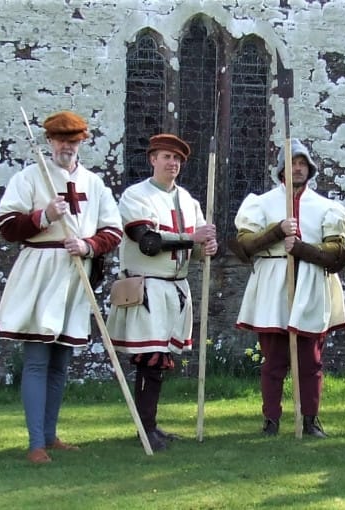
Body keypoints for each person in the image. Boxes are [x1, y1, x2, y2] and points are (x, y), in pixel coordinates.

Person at [0, 110, 123, 463]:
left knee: (61, 360)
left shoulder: (94, 184)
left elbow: (113, 230)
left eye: (73, 141)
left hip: (76, 273)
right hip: (40, 274)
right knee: (38, 359)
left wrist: (88, 245)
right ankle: (36, 442)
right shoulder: (28, 178)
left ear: (82, 143)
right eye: (61, 140)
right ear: (49, 141)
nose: (67, 146)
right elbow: (6, 226)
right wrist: (44, 216)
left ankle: (50, 436)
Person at [232, 138, 345, 438]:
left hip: (311, 283)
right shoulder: (261, 203)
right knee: (273, 360)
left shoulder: (326, 207)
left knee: (310, 360)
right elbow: (244, 246)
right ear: (281, 171)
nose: (297, 169)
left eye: (302, 164)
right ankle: (271, 420)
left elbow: (336, 253)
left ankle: (310, 420)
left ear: (309, 169)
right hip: (273, 284)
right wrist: (277, 231)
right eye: (292, 164)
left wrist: (300, 248)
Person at [107, 133, 217, 451]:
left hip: (176, 288)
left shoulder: (189, 201)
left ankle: (151, 426)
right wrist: (192, 238)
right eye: (167, 156)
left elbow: (196, 249)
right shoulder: (135, 196)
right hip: (147, 287)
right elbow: (148, 241)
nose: (173, 163)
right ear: (152, 159)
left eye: (177, 159)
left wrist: (207, 247)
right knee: (150, 359)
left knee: (161, 358)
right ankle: (146, 428)